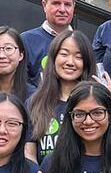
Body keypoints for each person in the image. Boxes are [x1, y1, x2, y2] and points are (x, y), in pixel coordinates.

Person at [25, 29, 100, 164]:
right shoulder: (34, 102)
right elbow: (29, 153)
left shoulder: (97, 102)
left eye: (78, 57)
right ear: (53, 58)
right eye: (64, 54)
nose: (70, 62)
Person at [21, 0, 75, 86]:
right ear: (44, 5)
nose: (62, 9)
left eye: (67, 4)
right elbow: (20, 84)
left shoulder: (82, 44)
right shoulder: (25, 41)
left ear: (74, 6)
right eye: (56, 3)